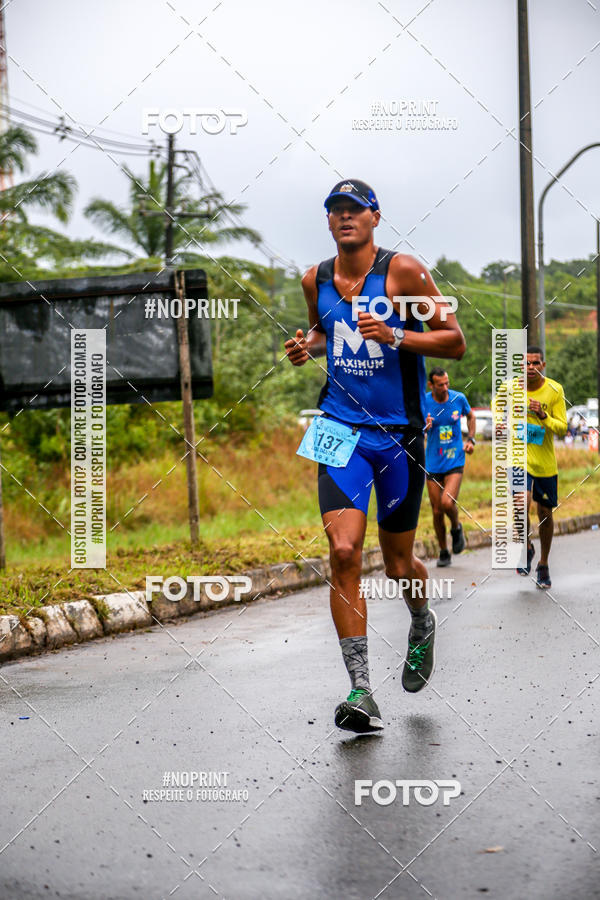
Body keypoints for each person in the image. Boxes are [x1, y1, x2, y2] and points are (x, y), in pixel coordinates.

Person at [285, 178, 466, 733]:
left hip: (399, 435)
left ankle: (420, 618)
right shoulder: (314, 278)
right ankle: (361, 690)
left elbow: (454, 340)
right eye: (336, 211)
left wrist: (395, 335)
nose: (345, 218)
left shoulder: (404, 272)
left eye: (354, 210)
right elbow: (325, 332)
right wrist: (305, 346)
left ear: (374, 217)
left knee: (396, 563)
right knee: (342, 551)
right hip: (338, 426)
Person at [514, 346, 567, 588]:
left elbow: (563, 428)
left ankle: (543, 563)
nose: (531, 367)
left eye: (535, 363)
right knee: (519, 502)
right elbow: (497, 406)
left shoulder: (555, 390)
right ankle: (526, 547)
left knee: (544, 513)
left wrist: (543, 416)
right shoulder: (512, 389)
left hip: (544, 462)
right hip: (519, 459)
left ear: (543, 365)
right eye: (526, 363)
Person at [424, 368, 476, 567]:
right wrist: (425, 426)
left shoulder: (458, 398)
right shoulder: (424, 401)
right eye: (440, 385)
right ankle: (443, 551)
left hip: (455, 459)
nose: (445, 388)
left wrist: (470, 439)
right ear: (431, 385)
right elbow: (416, 427)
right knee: (436, 511)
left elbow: (471, 417)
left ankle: (456, 528)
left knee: (447, 503)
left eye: (447, 383)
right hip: (433, 462)